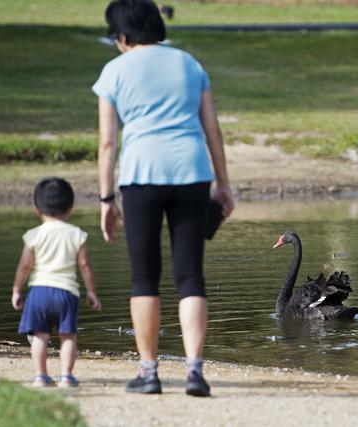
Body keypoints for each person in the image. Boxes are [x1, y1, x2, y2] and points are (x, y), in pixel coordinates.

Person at [92, 0, 234, 397]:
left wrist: (106, 198)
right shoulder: (189, 64)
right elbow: (213, 129)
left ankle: (149, 372)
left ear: (121, 36)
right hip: (192, 173)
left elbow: (107, 142)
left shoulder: (114, 71)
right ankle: (194, 371)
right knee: (190, 275)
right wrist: (223, 184)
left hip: (141, 176)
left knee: (144, 277)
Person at [12, 177, 102, 388]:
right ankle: (66, 376)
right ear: (70, 207)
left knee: (40, 335)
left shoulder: (33, 235)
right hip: (66, 292)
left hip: (38, 292)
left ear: (36, 208)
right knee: (68, 336)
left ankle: (40, 376)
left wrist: (17, 289)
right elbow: (85, 265)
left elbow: (25, 266)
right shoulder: (76, 234)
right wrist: (91, 291)